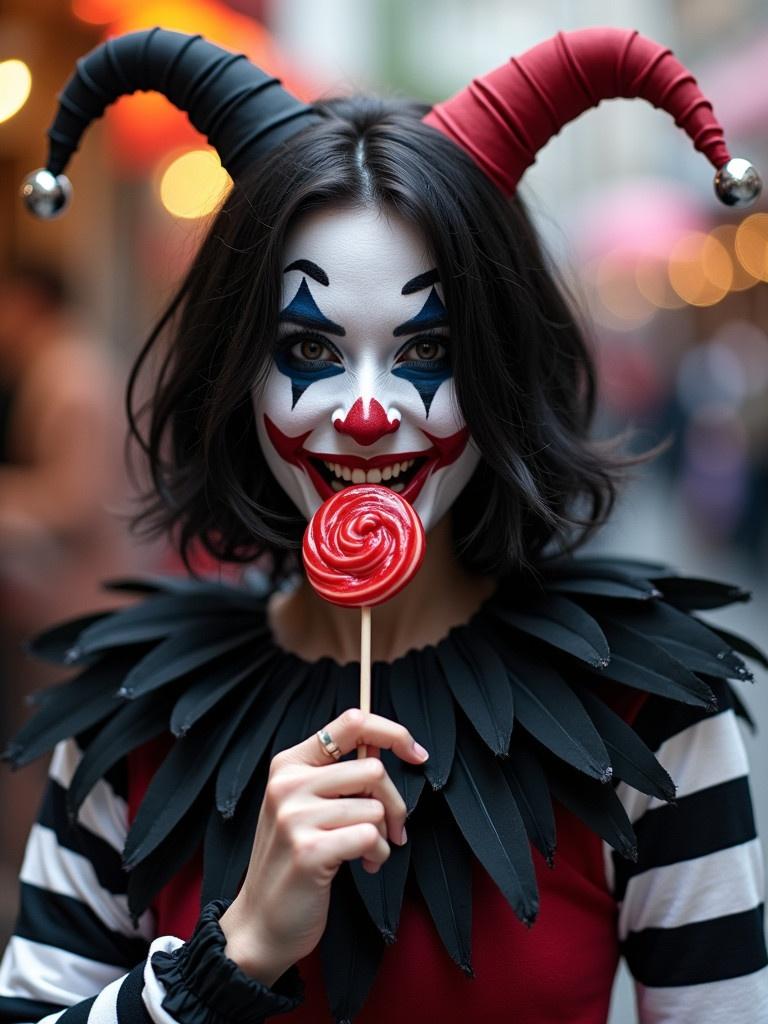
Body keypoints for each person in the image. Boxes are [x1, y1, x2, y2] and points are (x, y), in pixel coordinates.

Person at [2, 25, 767, 1024]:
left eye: (428, 347)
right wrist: (227, 958)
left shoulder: (649, 713)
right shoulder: (133, 716)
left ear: (499, 367)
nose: (366, 411)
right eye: (311, 347)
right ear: (241, 375)